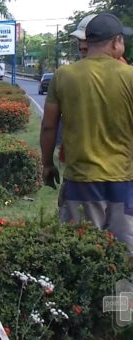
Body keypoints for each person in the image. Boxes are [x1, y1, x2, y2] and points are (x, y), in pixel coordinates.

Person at [40, 13, 133, 253]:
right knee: (124, 255)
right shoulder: (130, 76)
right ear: (116, 42)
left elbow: (49, 126)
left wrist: (47, 164)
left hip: (80, 181)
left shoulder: (64, 75)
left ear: (87, 42)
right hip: (124, 183)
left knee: (80, 253)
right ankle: (122, 291)